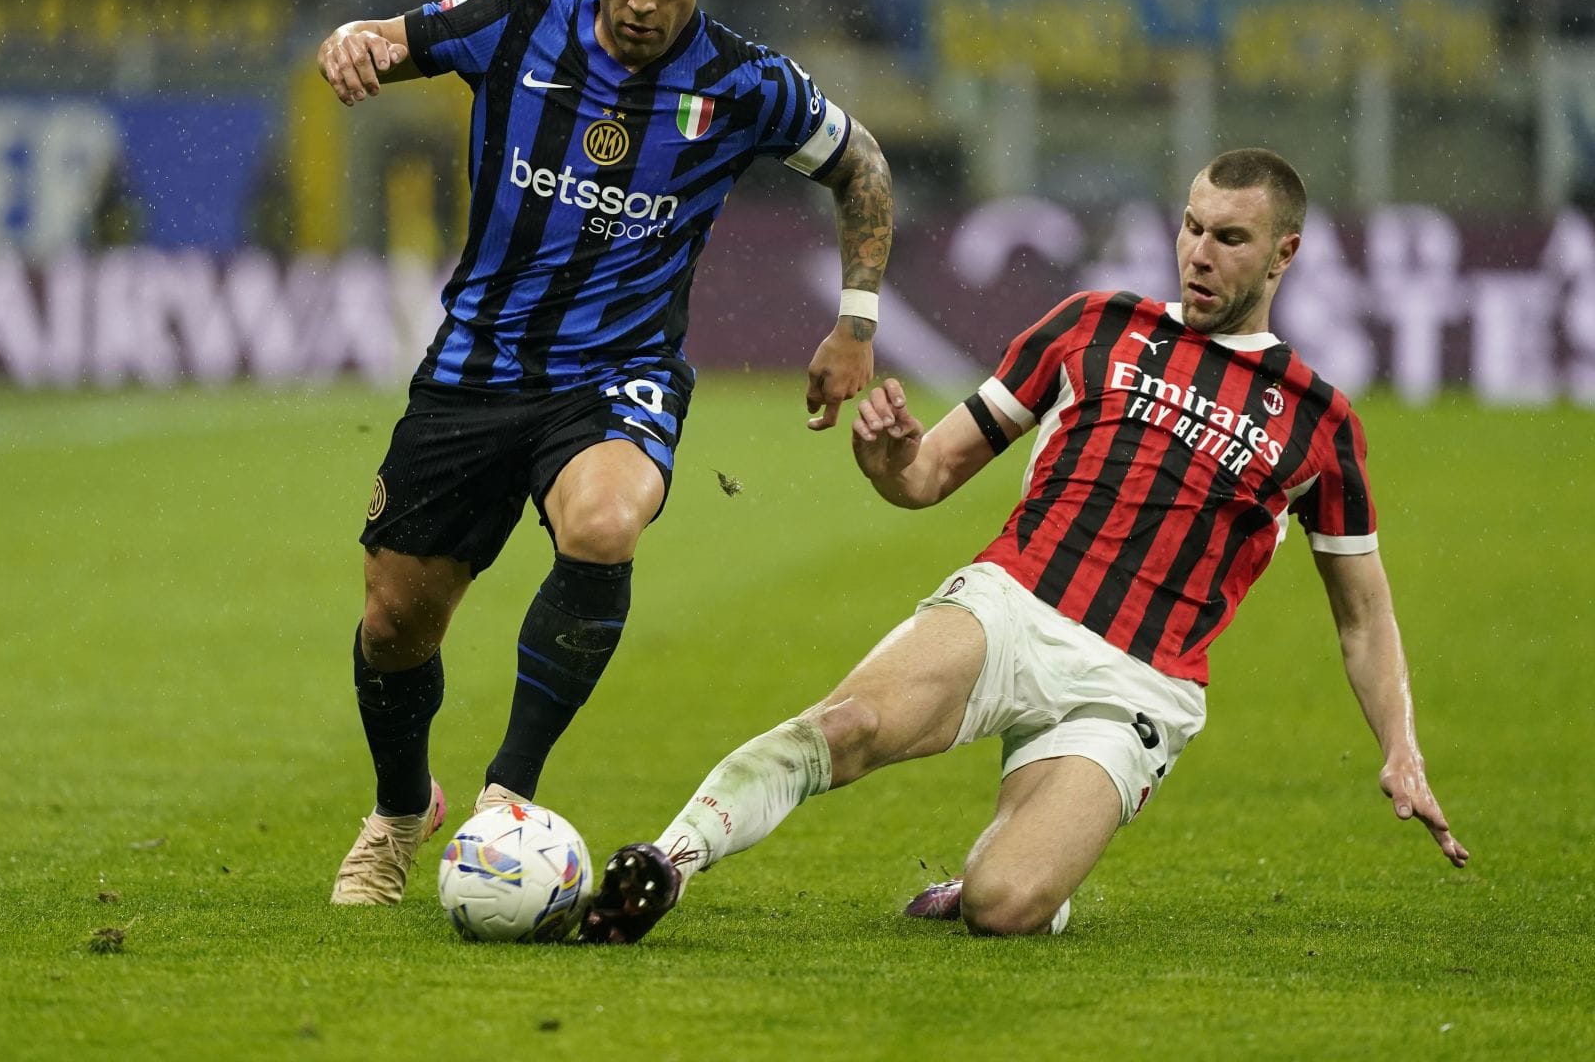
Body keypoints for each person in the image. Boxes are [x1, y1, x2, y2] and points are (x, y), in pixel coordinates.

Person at [582, 147, 1468, 943]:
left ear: (1285, 254)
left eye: (1230, 238)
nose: (1199, 253)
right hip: (1012, 606)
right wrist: (888, 457)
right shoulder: (1094, 324)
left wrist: (1400, 747)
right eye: (1191, 227)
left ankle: (1008, 870)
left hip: (1137, 686)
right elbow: (926, 477)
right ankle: (666, 862)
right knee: (846, 725)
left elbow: (1363, 617)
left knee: (1003, 905)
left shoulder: (1318, 422)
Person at [320, 0, 894, 905]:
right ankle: (404, 810)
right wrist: (351, 40)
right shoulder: (520, 13)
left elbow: (862, 164)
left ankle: (510, 795)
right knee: (396, 624)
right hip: (474, 369)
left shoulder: (745, 82)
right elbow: (384, 41)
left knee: (605, 521)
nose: (641, 0)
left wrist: (856, 321)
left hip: (616, 372)